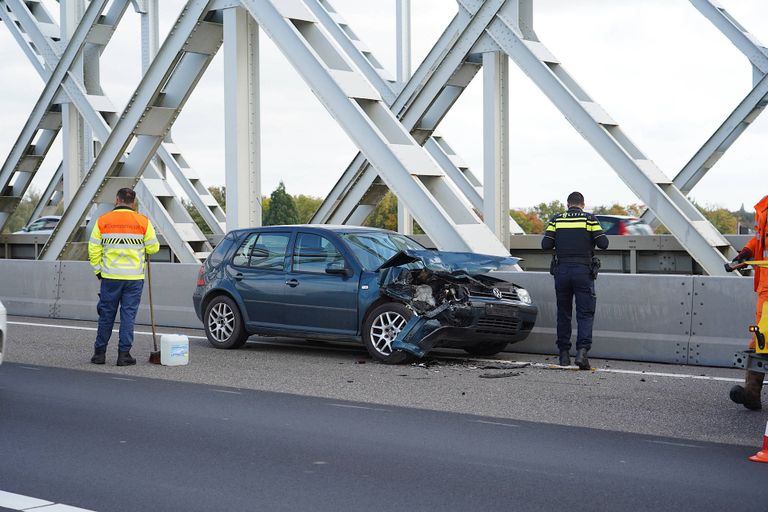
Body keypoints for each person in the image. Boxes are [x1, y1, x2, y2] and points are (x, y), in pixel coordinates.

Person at [88, 188, 160, 366]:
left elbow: (93, 248)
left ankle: (99, 354)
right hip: (133, 278)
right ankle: (123, 355)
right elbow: (153, 248)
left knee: (106, 315)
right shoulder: (143, 221)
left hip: (110, 277)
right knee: (128, 315)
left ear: (117, 200)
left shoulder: (103, 221)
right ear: (133, 203)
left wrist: (98, 270)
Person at [541, 192, 609, 370]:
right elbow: (603, 243)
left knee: (563, 313)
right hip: (583, 272)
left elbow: (545, 245)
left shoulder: (557, 219)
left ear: (567, 204)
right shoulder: (589, 219)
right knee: (585, 313)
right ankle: (582, 352)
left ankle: (563, 355)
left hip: (562, 271)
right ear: (583, 204)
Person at [726, 195, 768, 410]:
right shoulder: (764, 209)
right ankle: (752, 394)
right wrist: (745, 254)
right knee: (761, 341)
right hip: (766, 290)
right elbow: (759, 239)